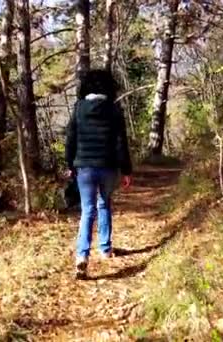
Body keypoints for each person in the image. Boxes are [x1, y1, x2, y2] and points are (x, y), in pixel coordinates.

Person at [65, 69, 133, 278]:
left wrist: (70, 164)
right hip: (109, 166)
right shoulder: (114, 110)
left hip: (84, 167)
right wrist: (126, 170)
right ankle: (105, 248)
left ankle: (82, 256)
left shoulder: (78, 108)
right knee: (104, 204)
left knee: (87, 210)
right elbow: (121, 142)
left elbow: (70, 139)